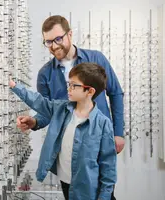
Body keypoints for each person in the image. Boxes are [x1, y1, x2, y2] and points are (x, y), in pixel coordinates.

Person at [16, 15, 124, 199]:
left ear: (70, 34)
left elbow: (115, 93)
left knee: (104, 191)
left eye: (58, 39)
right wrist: (34, 121)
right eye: (48, 41)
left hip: (96, 145)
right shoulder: (45, 74)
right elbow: (48, 112)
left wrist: (118, 132)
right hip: (67, 154)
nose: (54, 45)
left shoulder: (96, 59)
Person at [9, 63, 117, 200]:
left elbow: (108, 165)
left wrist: (105, 196)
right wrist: (14, 86)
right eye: (69, 84)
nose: (69, 89)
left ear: (90, 91)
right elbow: (39, 101)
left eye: (74, 85)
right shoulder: (62, 109)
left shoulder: (103, 124)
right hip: (66, 182)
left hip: (88, 188)